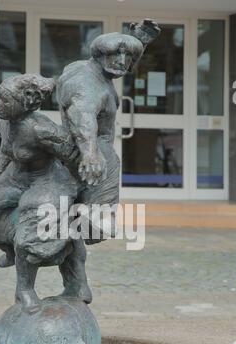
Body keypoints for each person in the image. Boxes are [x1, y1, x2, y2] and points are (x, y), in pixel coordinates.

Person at [0, 74, 91, 310]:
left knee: (32, 234)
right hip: (17, 178)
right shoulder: (6, 120)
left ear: (25, 102)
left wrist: (76, 191)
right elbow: (7, 151)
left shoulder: (41, 129)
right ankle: (10, 250)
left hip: (48, 182)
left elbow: (72, 156)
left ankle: (25, 290)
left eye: (4, 100)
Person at [57, 19, 160, 243]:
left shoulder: (93, 70)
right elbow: (82, 116)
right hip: (87, 151)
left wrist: (139, 41)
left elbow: (123, 60)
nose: (123, 63)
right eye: (116, 56)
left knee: (77, 242)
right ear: (100, 55)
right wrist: (90, 152)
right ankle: (94, 220)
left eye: (129, 57)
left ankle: (87, 224)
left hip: (85, 149)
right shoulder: (87, 83)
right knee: (110, 163)